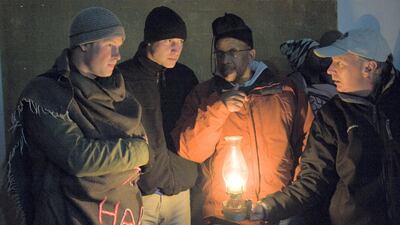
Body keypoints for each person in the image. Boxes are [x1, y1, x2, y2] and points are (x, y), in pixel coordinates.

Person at [4, 7, 149, 225]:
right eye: (110, 45)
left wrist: (114, 160)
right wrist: (138, 151)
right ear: (83, 44)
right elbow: (79, 158)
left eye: (118, 47)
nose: (118, 55)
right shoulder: (46, 94)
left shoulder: (120, 96)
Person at [172, 13, 314, 225]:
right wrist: (219, 107)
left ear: (251, 54)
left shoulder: (283, 91)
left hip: (275, 210)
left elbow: (308, 144)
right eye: (219, 54)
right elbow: (191, 150)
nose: (225, 60)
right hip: (223, 215)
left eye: (233, 52)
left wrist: (291, 197)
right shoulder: (204, 95)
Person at [251, 28, 400, 225]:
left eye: (339, 62)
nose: (330, 70)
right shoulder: (333, 116)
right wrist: (268, 208)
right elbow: (313, 181)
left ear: (369, 68)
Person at [118, 6, 198, 225]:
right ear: (150, 41)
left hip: (180, 192)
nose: (176, 49)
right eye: (169, 41)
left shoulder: (185, 76)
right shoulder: (123, 77)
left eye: (181, 42)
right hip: (141, 194)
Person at [280, 30, 342, 113]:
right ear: (302, 62)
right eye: (314, 53)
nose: (321, 56)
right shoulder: (292, 87)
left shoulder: (338, 83)